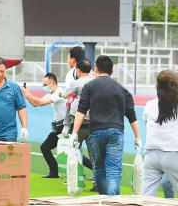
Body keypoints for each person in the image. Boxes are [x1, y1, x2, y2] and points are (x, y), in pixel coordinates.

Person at [72, 55, 141, 196]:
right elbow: (132, 116)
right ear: (112, 71)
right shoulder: (122, 89)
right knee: (113, 169)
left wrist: (74, 133)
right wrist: (138, 137)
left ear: (96, 69)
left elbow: (81, 111)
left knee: (99, 168)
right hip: (116, 132)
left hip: (96, 132)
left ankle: (104, 199)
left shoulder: (89, 86)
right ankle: (112, 200)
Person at [141, 70, 178, 196]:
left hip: (151, 156)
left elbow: (146, 124)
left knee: (146, 197)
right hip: (173, 154)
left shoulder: (150, 104)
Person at [22, 73, 66, 178]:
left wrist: (27, 94)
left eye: (45, 84)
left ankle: (94, 168)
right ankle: (54, 172)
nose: (44, 86)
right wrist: (26, 95)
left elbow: (40, 103)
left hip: (65, 127)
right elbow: (36, 104)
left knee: (70, 151)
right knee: (45, 147)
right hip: (59, 127)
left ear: (53, 83)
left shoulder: (59, 92)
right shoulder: (51, 93)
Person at [61, 58, 95, 173]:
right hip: (94, 121)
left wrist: (66, 125)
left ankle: (76, 176)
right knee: (94, 153)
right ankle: (97, 179)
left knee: (74, 150)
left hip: (78, 121)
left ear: (78, 70)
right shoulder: (95, 82)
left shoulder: (75, 83)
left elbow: (67, 98)